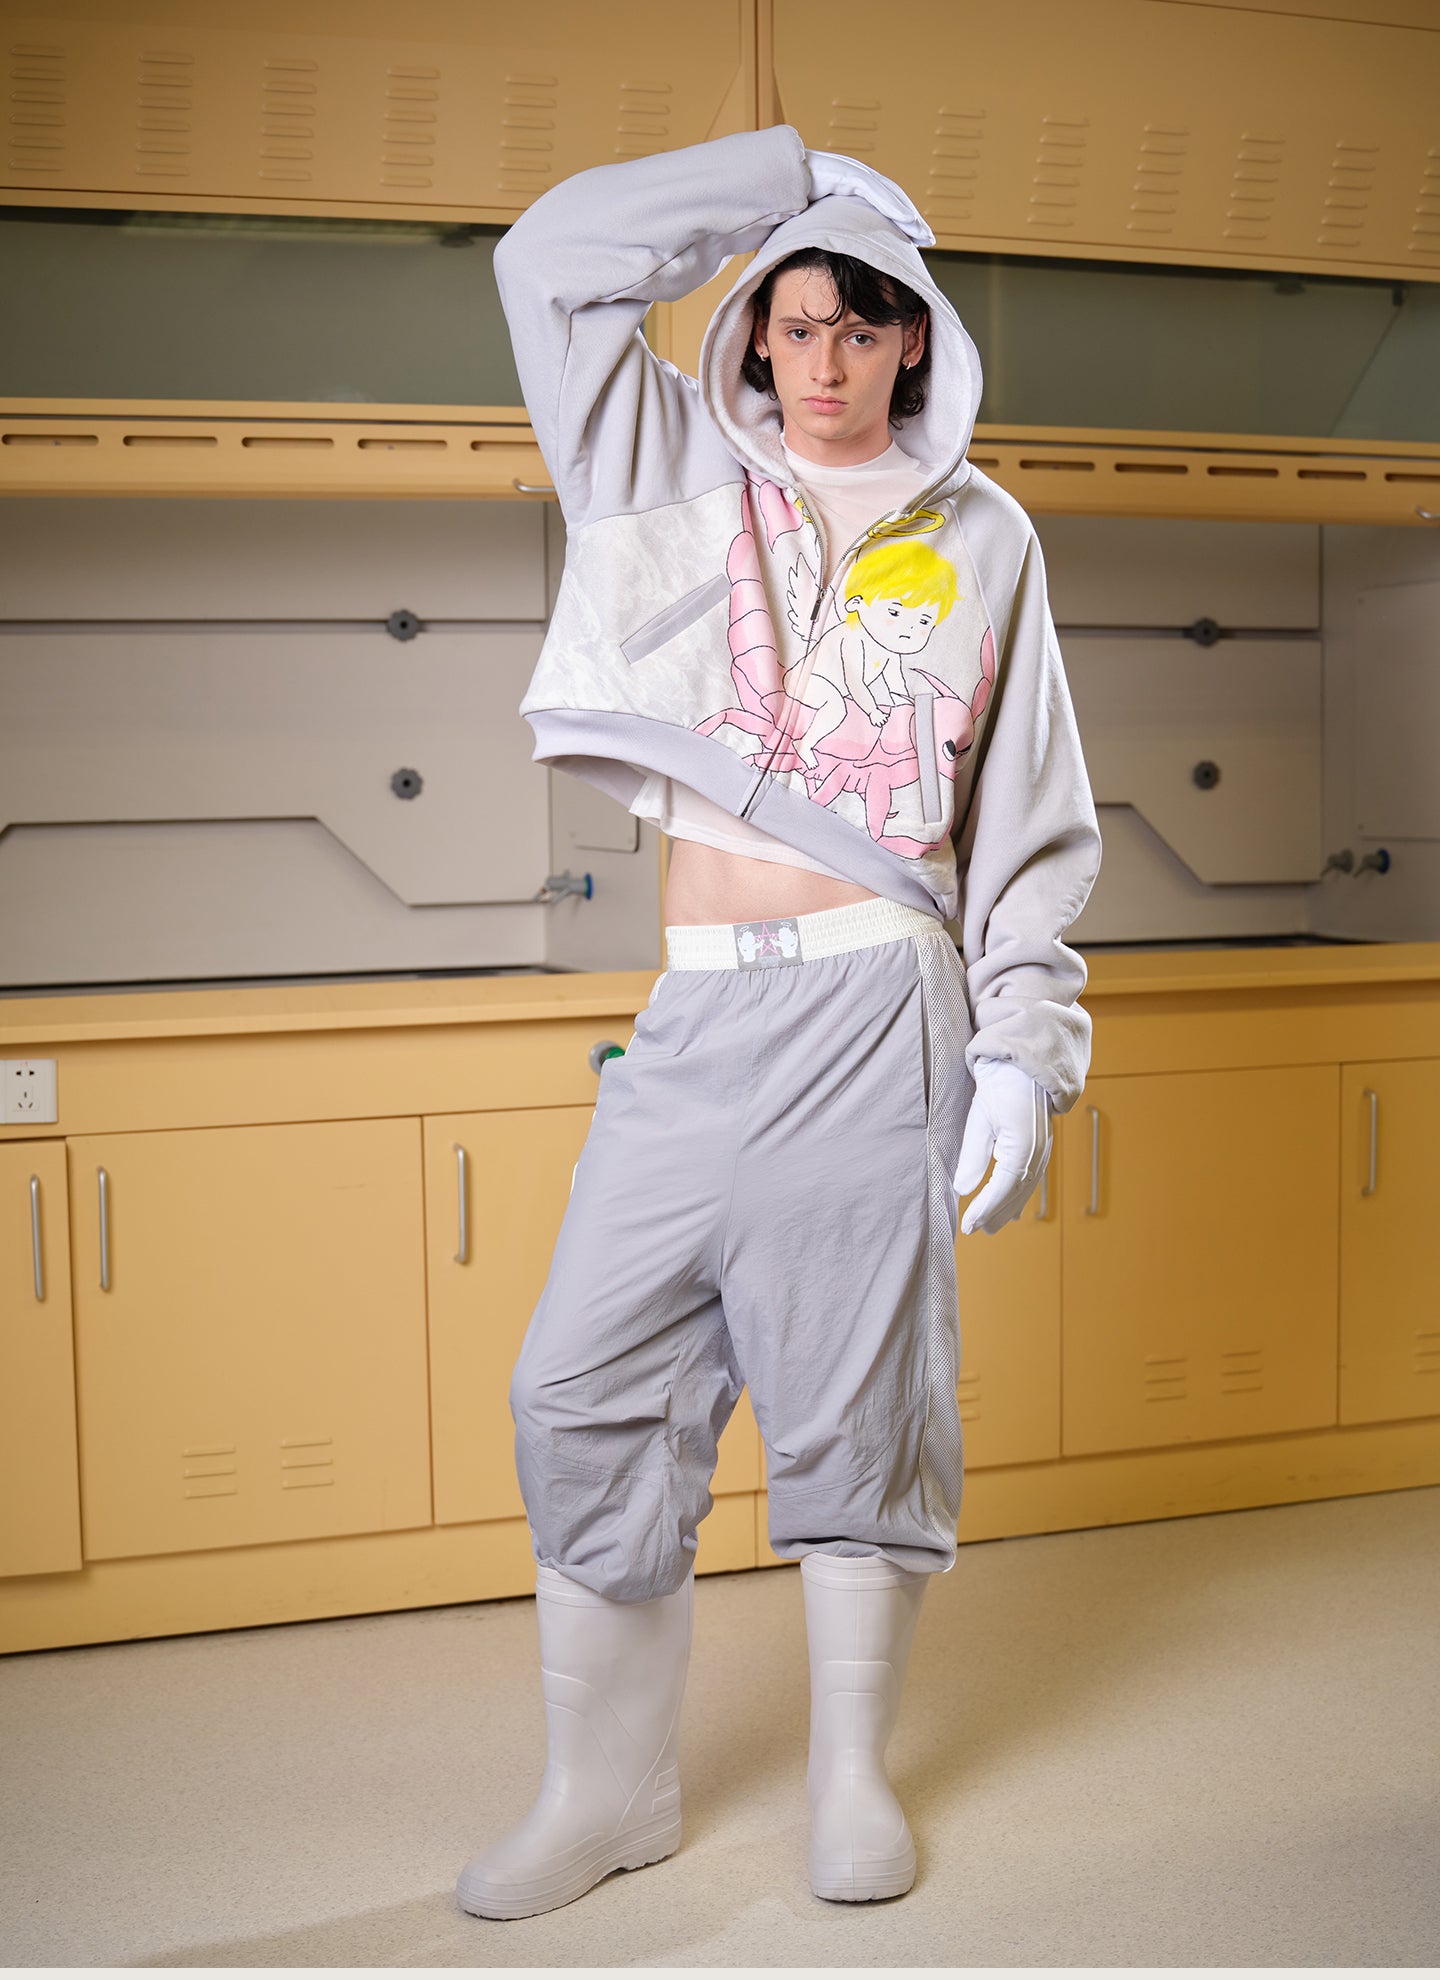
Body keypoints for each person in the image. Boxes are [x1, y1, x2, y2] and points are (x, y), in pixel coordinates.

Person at [456, 125, 1102, 1920]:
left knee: (854, 1404)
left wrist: (1022, 1048)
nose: (822, 362)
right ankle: (604, 1794)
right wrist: (787, 169)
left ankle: (850, 1779)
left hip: (876, 1004)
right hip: (694, 1016)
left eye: (860, 325)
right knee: (576, 1387)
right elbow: (545, 259)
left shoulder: (986, 536)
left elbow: (1030, 822)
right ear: (750, 327)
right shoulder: (657, 456)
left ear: (916, 340)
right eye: (793, 322)